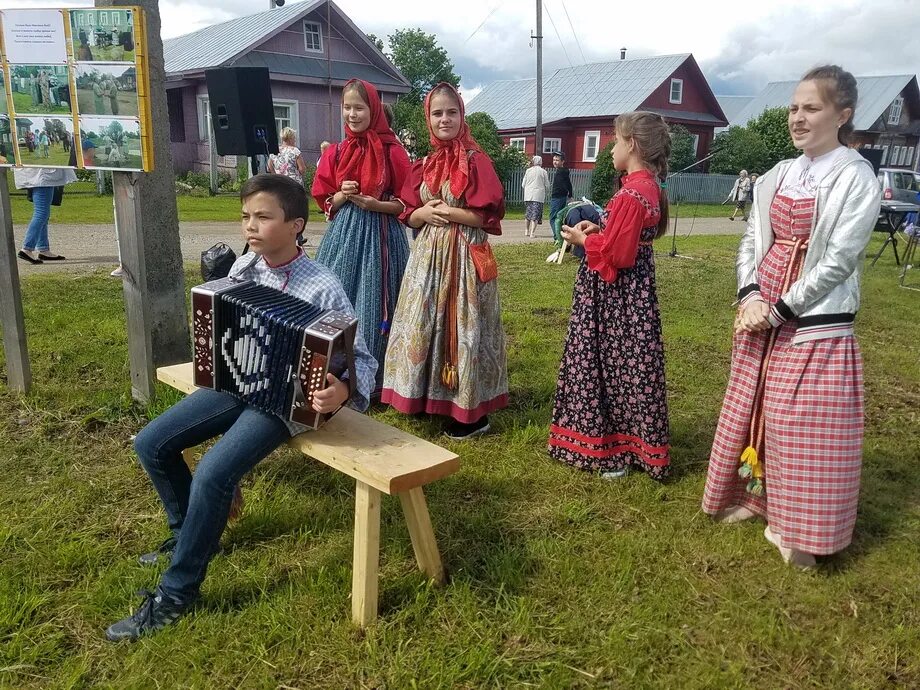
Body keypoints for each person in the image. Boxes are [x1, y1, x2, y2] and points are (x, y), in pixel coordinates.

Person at [105, 174, 377, 641]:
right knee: (152, 443)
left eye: (264, 217)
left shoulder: (323, 287)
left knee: (213, 472)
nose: (251, 226)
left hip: (286, 403)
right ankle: (187, 533)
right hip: (236, 384)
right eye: (246, 216)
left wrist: (343, 392)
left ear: (295, 225)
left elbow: (364, 361)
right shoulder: (244, 269)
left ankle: (177, 593)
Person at [702, 66, 881, 569]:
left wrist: (780, 308)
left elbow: (839, 258)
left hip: (811, 316)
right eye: (794, 108)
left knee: (800, 419)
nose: (798, 118)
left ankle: (802, 529)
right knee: (755, 403)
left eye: (811, 108)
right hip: (762, 309)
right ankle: (752, 497)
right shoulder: (780, 172)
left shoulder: (854, 175)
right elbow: (755, 241)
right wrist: (751, 294)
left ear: (842, 115)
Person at [381, 82, 508, 439]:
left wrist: (448, 212)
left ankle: (470, 412)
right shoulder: (425, 163)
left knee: (460, 326)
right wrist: (422, 212)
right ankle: (426, 396)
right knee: (425, 322)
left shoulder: (475, 160)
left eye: (451, 112)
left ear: (461, 114)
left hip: (463, 256)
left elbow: (485, 216)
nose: (444, 119)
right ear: (428, 118)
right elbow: (408, 213)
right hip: (427, 258)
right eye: (437, 113)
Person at [549, 112, 672, 480]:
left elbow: (618, 255)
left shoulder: (633, 193)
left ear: (632, 144)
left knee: (609, 365)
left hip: (615, 298)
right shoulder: (645, 186)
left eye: (616, 141)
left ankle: (611, 448)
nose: (611, 148)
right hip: (632, 299)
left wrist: (585, 240)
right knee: (630, 366)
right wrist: (601, 225)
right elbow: (626, 234)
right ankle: (634, 443)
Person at [312, 79, 412, 392]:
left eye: (360, 107)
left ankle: (374, 376)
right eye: (347, 107)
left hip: (381, 237)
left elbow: (406, 203)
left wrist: (376, 204)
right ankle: (331, 368)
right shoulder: (337, 152)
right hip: (343, 236)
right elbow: (325, 199)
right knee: (334, 292)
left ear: (374, 110)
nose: (352, 114)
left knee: (375, 297)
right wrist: (341, 193)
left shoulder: (393, 151)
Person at [14, 166, 77, 264]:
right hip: (42, 175)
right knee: (41, 213)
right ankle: (27, 248)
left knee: (43, 214)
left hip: (39, 175)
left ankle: (43, 249)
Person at [522, 154, 550, 238]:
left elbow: (523, 184)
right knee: (535, 215)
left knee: (528, 214)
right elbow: (547, 184)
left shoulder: (528, 171)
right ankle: (532, 233)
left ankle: (526, 230)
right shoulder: (543, 172)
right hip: (538, 196)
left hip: (528, 195)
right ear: (541, 162)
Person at [549, 152, 573, 231]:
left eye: (557, 160)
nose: (555, 162)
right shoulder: (564, 171)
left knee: (553, 218)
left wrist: (564, 192)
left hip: (557, 197)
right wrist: (570, 194)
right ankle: (561, 235)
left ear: (562, 162)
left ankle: (557, 237)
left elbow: (563, 185)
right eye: (554, 160)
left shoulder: (560, 172)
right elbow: (569, 183)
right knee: (559, 217)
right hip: (562, 197)